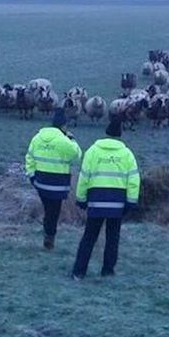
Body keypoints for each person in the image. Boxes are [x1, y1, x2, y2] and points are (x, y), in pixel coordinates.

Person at [71, 118, 140, 279]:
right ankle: (108, 271)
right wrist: (131, 202)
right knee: (112, 238)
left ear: (106, 134)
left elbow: (84, 177)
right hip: (117, 203)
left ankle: (79, 272)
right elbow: (134, 180)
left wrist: (81, 198)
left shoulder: (92, 151)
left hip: (96, 201)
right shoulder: (127, 154)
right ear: (120, 136)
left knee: (89, 237)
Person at [25, 108, 82, 250]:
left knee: (48, 210)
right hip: (57, 185)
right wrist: (72, 138)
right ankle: (49, 237)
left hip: (41, 183)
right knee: (53, 212)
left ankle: (47, 234)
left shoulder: (37, 138)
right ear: (64, 126)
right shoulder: (63, 140)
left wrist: (32, 175)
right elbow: (77, 154)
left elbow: (29, 157)